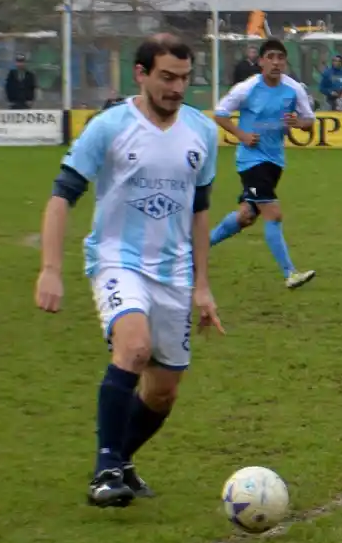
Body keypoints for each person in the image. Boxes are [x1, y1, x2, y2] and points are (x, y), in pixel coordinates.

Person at [34, 34, 225, 508]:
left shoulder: (202, 132)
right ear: (140, 74)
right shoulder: (109, 126)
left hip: (175, 272)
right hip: (118, 260)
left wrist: (202, 285)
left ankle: (120, 460)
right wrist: (50, 269)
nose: (177, 87)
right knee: (134, 347)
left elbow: (201, 211)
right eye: (166, 77)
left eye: (184, 78)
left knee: (162, 393)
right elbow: (62, 196)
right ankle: (105, 471)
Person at [207, 39, 317, 289]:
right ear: (261, 61)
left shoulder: (294, 89)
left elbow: (309, 121)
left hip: (274, 161)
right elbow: (220, 113)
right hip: (250, 161)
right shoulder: (247, 88)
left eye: (281, 57)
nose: (276, 62)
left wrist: (296, 123)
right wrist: (242, 135)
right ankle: (290, 273)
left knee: (246, 216)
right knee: (273, 214)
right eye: (271, 57)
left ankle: (196, 250)